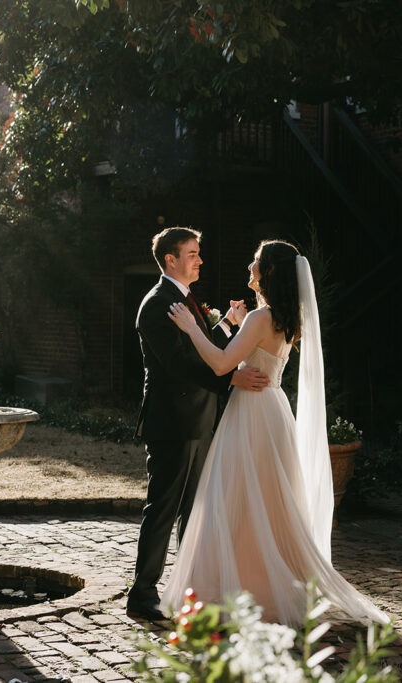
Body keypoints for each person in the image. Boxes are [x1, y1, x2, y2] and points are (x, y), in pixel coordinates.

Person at [161, 239, 388, 626]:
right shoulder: (286, 317)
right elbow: (252, 357)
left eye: (256, 262)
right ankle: (262, 584)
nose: (250, 266)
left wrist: (191, 328)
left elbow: (219, 365)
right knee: (266, 502)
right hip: (274, 410)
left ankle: (243, 588)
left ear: (269, 272)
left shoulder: (260, 319)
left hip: (251, 413)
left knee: (240, 498)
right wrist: (232, 324)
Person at [128, 227, 268, 621]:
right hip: (173, 422)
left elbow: (202, 348)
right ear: (170, 259)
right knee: (163, 509)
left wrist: (227, 325)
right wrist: (231, 378)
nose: (199, 260)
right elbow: (179, 364)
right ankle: (142, 594)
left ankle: (190, 589)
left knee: (195, 511)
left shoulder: (184, 298)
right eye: (192, 254)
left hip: (201, 419)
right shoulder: (157, 304)